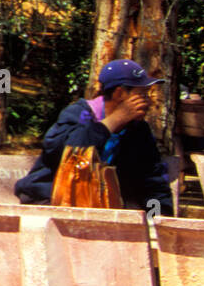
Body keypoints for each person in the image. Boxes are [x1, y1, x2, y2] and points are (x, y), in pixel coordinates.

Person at [14, 59, 174, 215]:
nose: (148, 101)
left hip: (103, 207)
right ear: (120, 93)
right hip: (50, 200)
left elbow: (152, 179)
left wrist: (159, 218)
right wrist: (113, 121)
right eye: (142, 94)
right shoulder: (78, 114)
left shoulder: (139, 130)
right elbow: (68, 154)